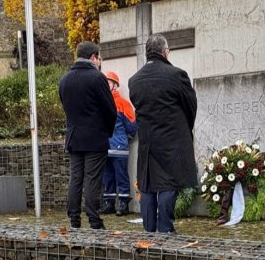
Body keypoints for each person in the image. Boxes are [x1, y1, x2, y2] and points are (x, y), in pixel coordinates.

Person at [129, 34, 198, 233]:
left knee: (148, 184)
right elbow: (191, 106)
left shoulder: (135, 80)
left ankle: (149, 229)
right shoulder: (177, 75)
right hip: (172, 138)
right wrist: (184, 128)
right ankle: (166, 228)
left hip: (147, 141)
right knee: (169, 183)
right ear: (165, 52)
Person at [58, 41, 117, 229]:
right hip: (94, 138)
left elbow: (66, 107)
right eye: (99, 58)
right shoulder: (97, 78)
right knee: (92, 178)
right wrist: (107, 131)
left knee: (76, 178)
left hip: (74, 137)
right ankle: (94, 219)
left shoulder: (64, 79)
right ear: (93, 57)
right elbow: (110, 109)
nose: (100, 62)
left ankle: (74, 219)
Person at [100, 71, 137, 217]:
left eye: (108, 82)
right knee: (107, 177)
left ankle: (123, 203)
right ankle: (109, 203)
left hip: (119, 148)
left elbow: (132, 125)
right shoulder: (101, 103)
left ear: (115, 85)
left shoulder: (123, 103)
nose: (106, 85)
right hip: (105, 147)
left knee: (121, 176)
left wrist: (124, 138)